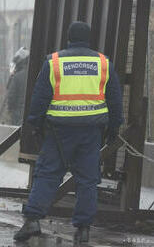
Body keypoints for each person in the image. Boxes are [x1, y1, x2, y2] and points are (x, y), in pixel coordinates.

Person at [13, 22, 123, 243]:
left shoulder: (54, 62)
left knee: (47, 175)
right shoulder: (103, 63)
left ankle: (33, 220)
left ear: (69, 39)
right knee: (88, 180)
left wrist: (34, 124)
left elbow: (40, 96)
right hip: (91, 133)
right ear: (89, 39)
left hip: (58, 132)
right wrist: (114, 127)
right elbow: (115, 98)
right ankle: (83, 229)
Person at [6, 47, 29, 125]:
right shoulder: (35, 73)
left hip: (18, 114)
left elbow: (11, 96)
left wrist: (10, 109)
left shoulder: (17, 77)